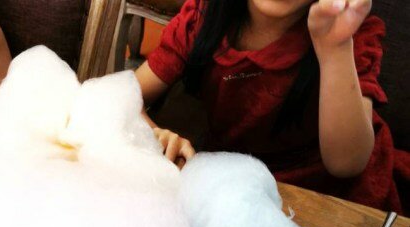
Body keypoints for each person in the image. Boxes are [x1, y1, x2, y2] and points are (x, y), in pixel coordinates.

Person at [137, 0, 409, 213]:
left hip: (331, 199)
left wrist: (334, 49)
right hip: (236, 187)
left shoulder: (347, 32)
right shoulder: (204, 15)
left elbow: (346, 164)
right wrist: (156, 135)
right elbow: (126, 99)